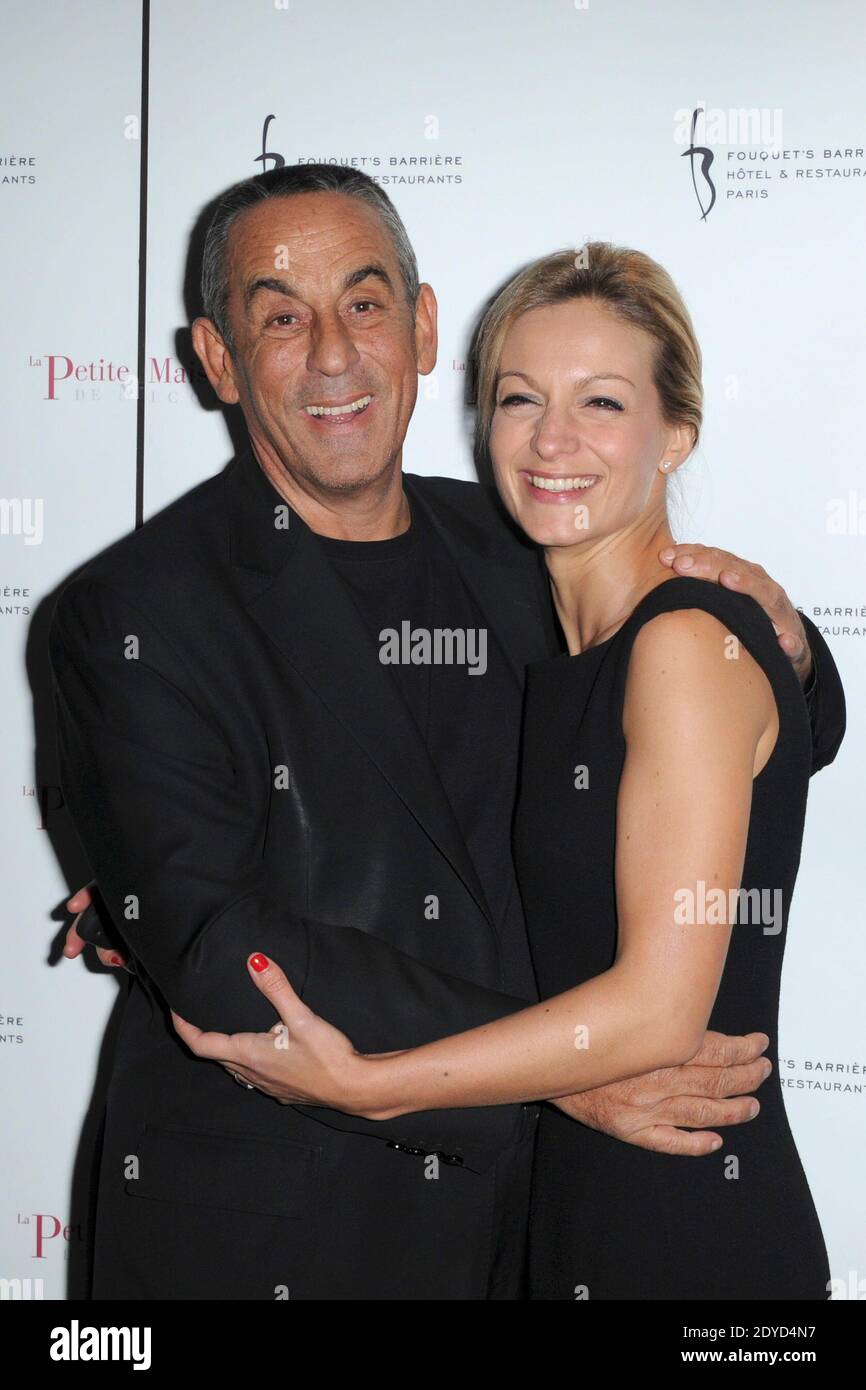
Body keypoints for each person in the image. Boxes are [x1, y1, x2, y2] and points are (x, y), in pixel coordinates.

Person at [51, 167, 844, 1301]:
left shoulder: (530, 540)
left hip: (525, 1230)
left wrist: (781, 631)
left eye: (364, 304)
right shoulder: (137, 609)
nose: (332, 353)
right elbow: (221, 954)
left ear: (421, 330)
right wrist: (563, 1070)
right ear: (218, 358)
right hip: (278, 1226)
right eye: (280, 316)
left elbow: (766, 733)